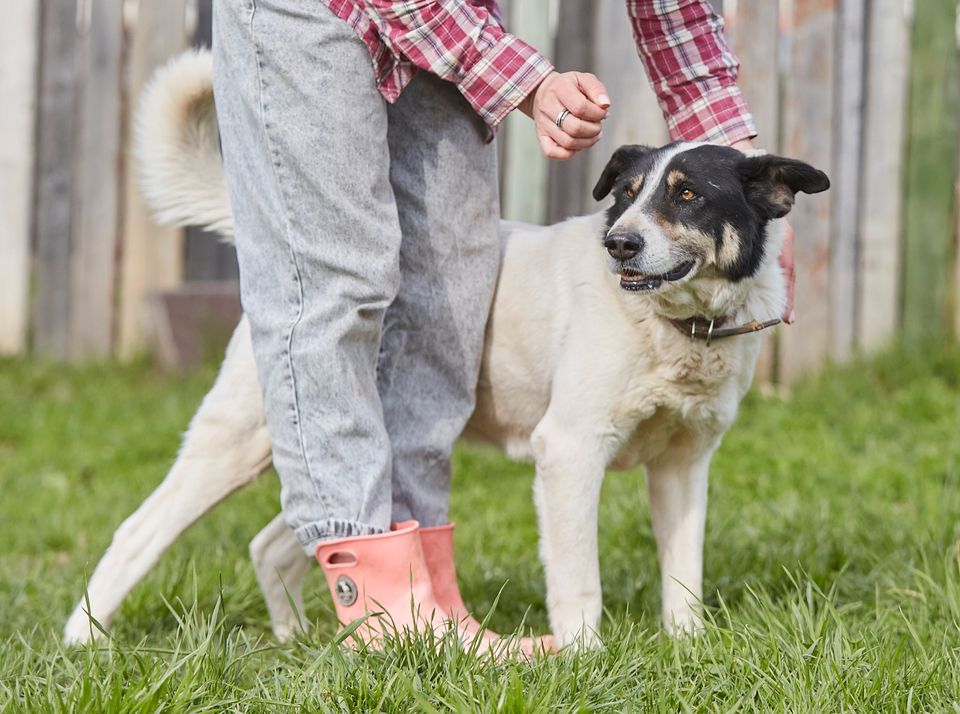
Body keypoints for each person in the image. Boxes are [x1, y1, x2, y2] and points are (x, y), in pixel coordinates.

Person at [212, 0, 791, 647]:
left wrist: (751, 202)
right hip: (321, 13)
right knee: (343, 281)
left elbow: (678, 18)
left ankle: (426, 598)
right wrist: (531, 84)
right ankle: (382, 613)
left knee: (450, 275)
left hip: (463, 17)